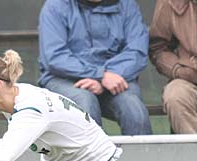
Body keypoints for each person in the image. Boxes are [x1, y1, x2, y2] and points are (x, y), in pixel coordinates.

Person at [38, 0, 152, 135]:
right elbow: (55, 57)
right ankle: (94, 150)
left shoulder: (127, 5)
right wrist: (100, 75)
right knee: (85, 104)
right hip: (65, 78)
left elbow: (137, 51)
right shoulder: (55, 6)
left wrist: (110, 75)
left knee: (134, 109)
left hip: (117, 76)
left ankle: (142, 149)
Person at [148, 0, 197, 134]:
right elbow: (157, 48)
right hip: (189, 77)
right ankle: (191, 147)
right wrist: (178, 70)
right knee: (175, 94)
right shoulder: (169, 2)